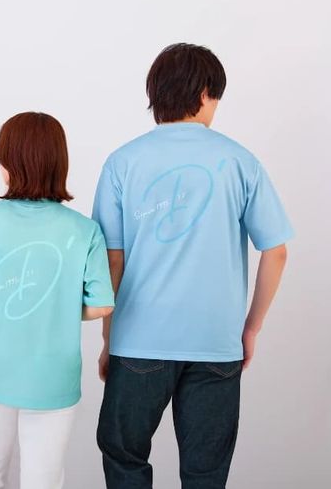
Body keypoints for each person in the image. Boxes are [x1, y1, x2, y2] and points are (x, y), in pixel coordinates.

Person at [93, 43, 292, 488]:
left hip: (139, 340)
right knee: (206, 471)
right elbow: (276, 251)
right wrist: (251, 328)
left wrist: (109, 338)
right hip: (216, 341)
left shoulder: (122, 162)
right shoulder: (241, 161)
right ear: (204, 93)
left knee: (124, 456)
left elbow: (112, 259)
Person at [0, 112, 115, 489]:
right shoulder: (85, 230)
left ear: (10, 162)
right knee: (44, 479)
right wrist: (58, 304)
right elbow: (103, 305)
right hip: (54, 376)